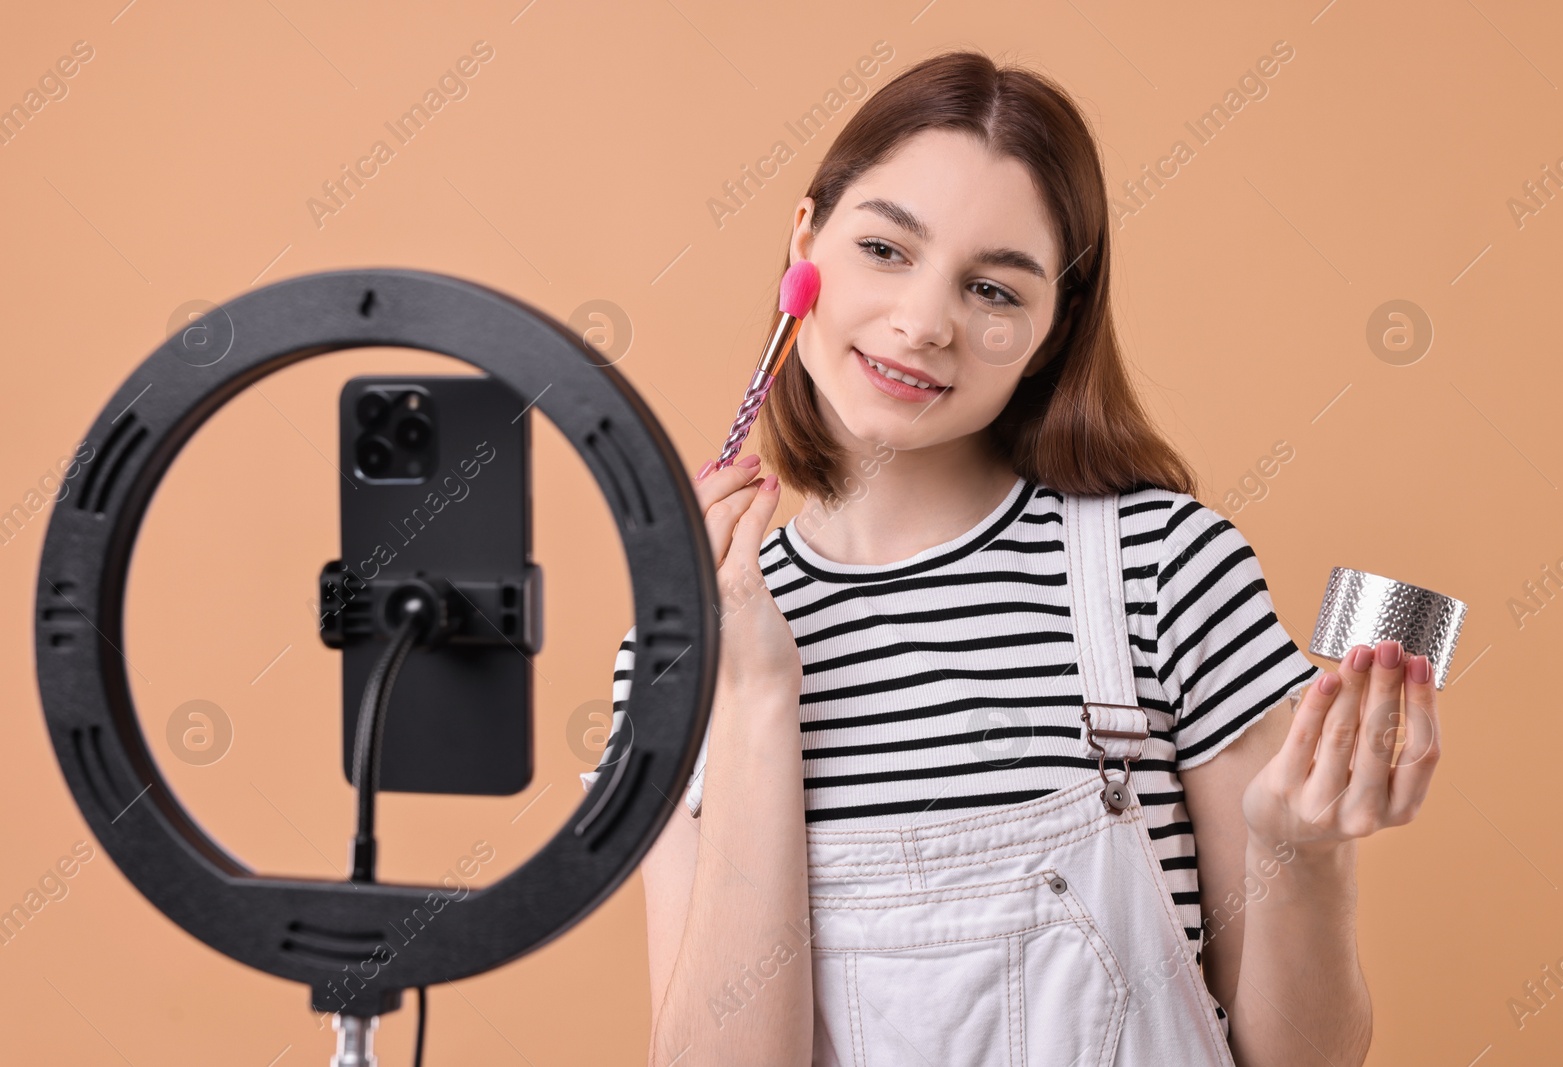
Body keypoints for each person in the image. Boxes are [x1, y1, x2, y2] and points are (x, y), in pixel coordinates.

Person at [579, 48, 1441, 1067]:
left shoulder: (1167, 568)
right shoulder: (679, 643)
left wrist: (1304, 855)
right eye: (885, 250)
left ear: (1049, 326)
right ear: (802, 242)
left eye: (991, 287)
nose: (924, 322)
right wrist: (758, 693)